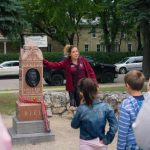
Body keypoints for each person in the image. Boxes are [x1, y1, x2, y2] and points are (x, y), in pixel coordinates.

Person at [71, 78, 118, 150]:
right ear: (97, 89)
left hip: (85, 143)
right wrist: (107, 139)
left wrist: (80, 108)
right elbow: (114, 125)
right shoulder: (106, 107)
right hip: (101, 141)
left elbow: (74, 125)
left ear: (81, 93)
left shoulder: (81, 108)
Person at [117, 70, 145, 150]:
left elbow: (123, 131)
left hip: (132, 145)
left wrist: (120, 148)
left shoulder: (126, 105)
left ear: (127, 85)